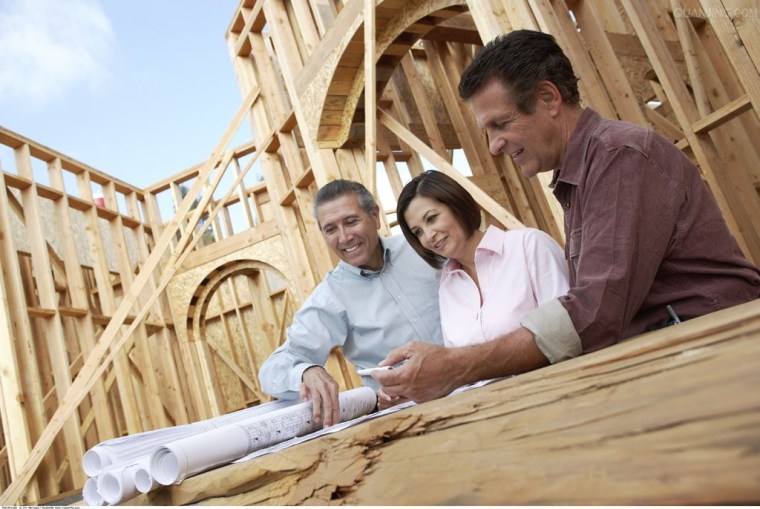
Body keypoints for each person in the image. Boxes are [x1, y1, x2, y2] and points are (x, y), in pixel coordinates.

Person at [373, 29, 760, 404]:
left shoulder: (618, 157)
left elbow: (595, 312)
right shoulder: (582, 176)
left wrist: (457, 366)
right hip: (682, 355)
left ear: (548, 98)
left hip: (723, 351)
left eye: (500, 124)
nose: (493, 146)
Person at [258, 179, 444, 427]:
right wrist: (305, 371)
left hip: (479, 383)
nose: (344, 237)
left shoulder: (422, 248)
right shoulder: (330, 297)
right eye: (331, 229)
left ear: (375, 216)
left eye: (351, 221)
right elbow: (272, 370)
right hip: (411, 418)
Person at [396, 169, 569, 348]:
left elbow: (564, 333)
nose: (428, 235)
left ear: (457, 205)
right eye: (418, 232)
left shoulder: (529, 245)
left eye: (432, 218)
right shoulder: (447, 286)